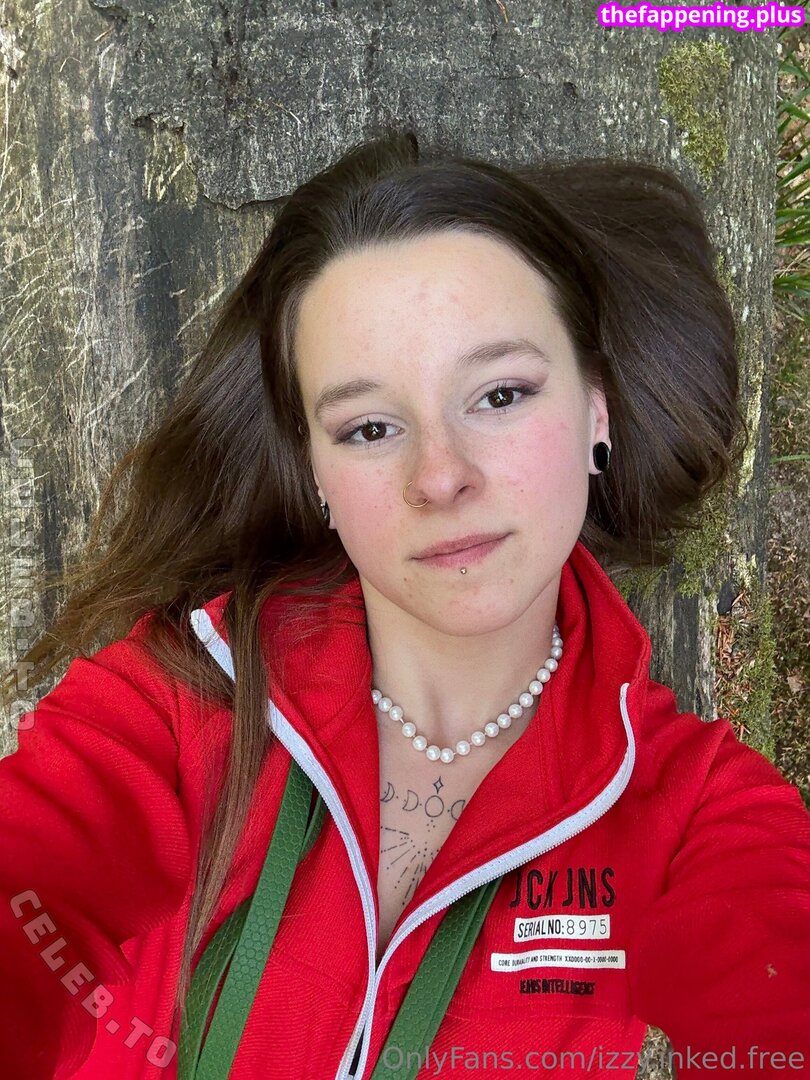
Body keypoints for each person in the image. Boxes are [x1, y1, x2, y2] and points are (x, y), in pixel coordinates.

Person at [1, 129, 809, 1080]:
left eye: (500, 395)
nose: (440, 476)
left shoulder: (693, 812)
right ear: (313, 471)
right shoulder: (173, 707)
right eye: (370, 427)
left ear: (597, 407)